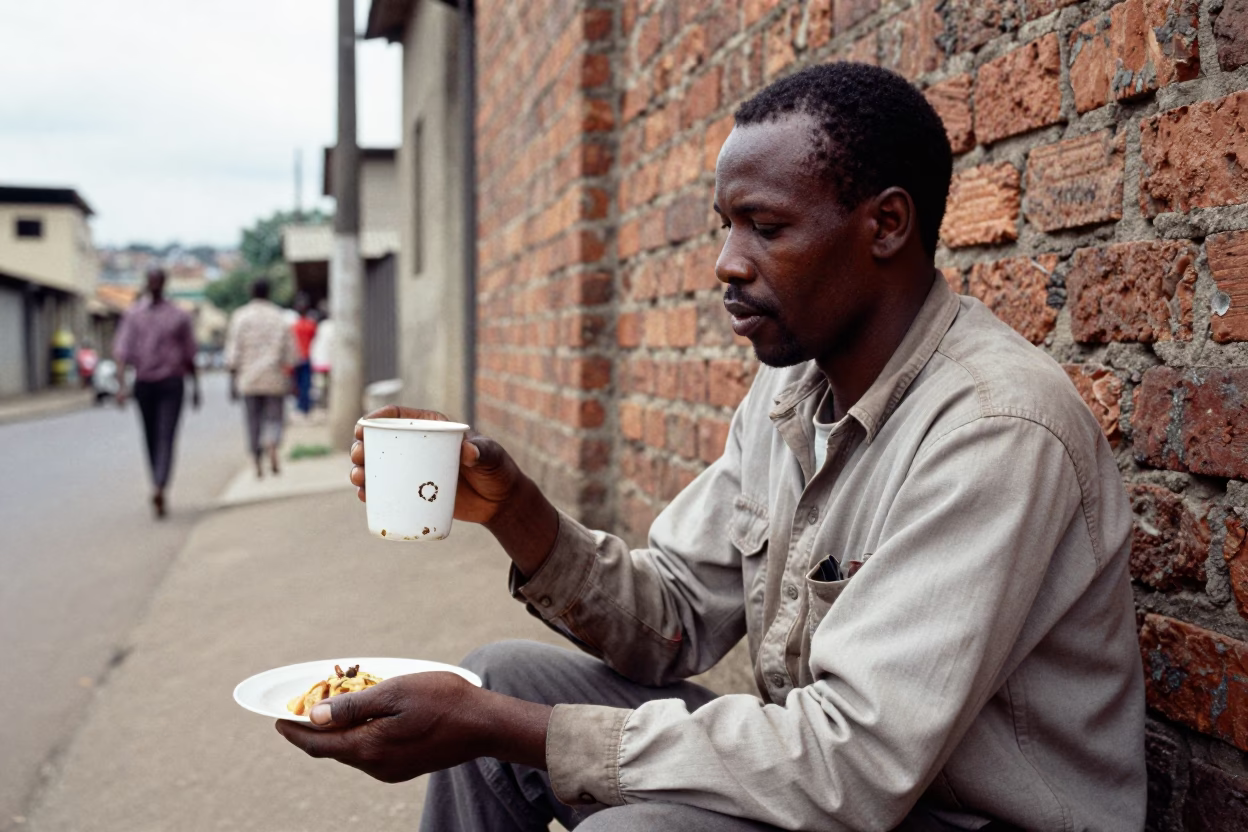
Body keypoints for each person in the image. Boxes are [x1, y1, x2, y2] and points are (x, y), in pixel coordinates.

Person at [277, 64, 1146, 831]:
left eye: (764, 227)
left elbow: (856, 762)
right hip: (846, 785)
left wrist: (502, 727)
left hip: (950, 815)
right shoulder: (790, 387)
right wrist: (517, 514)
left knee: (580, 788)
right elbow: (674, 619)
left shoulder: (995, 428)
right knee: (496, 677)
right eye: (723, 225)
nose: (728, 263)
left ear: (885, 226)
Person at [112, 268, 200, 518]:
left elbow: (189, 354)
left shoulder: (175, 316)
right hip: (150, 384)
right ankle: (159, 483)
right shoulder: (137, 314)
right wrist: (121, 387)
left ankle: (158, 483)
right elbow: (122, 353)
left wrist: (195, 387)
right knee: (158, 437)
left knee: (160, 436)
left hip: (169, 383)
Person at [224, 278, 296, 478]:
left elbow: (233, 353)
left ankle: (256, 459)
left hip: (248, 380)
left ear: (250, 292)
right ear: (269, 292)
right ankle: (272, 441)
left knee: (252, 421)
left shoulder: (240, 317)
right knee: (274, 418)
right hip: (274, 378)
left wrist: (232, 382)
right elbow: (291, 354)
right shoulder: (279, 317)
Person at [290, 293, 318, 417]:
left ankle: (300, 406)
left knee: (297, 384)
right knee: (306, 384)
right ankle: (305, 407)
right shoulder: (311, 325)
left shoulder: (294, 326)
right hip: (307, 357)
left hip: (296, 357)